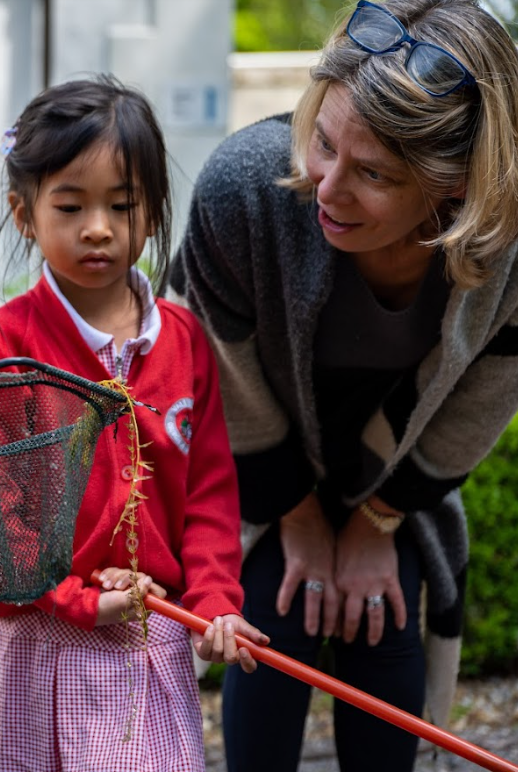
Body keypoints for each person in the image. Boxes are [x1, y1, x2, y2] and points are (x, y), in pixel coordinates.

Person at [169, 1, 518, 770]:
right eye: (322, 142)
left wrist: (377, 522)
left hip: (394, 475)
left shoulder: (509, 253)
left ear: (456, 188)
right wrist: (294, 515)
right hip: (257, 458)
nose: (326, 187)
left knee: (384, 614)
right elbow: (219, 370)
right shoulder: (247, 188)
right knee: (271, 612)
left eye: (372, 174)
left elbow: (480, 405)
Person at [0, 74, 268, 772]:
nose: (98, 226)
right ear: (23, 213)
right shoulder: (6, 345)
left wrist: (218, 599)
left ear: (155, 212)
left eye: (123, 204)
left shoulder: (186, 338)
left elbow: (211, 495)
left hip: (155, 630)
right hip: (45, 634)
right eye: (70, 205)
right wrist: (71, 599)